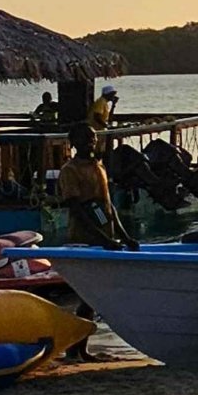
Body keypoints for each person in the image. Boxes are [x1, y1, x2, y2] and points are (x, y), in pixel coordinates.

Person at [58, 124, 139, 360]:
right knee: (87, 296)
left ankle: (77, 347)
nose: (90, 143)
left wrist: (123, 236)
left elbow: (108, 206)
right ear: (73, 142)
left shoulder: (98, 166)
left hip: (105, 238)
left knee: (90, 299)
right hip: (83, 241)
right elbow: (77, 209)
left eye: (93, 138)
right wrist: (103, 240)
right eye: (85, 139)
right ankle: (75, 347)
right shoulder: (70, 170)